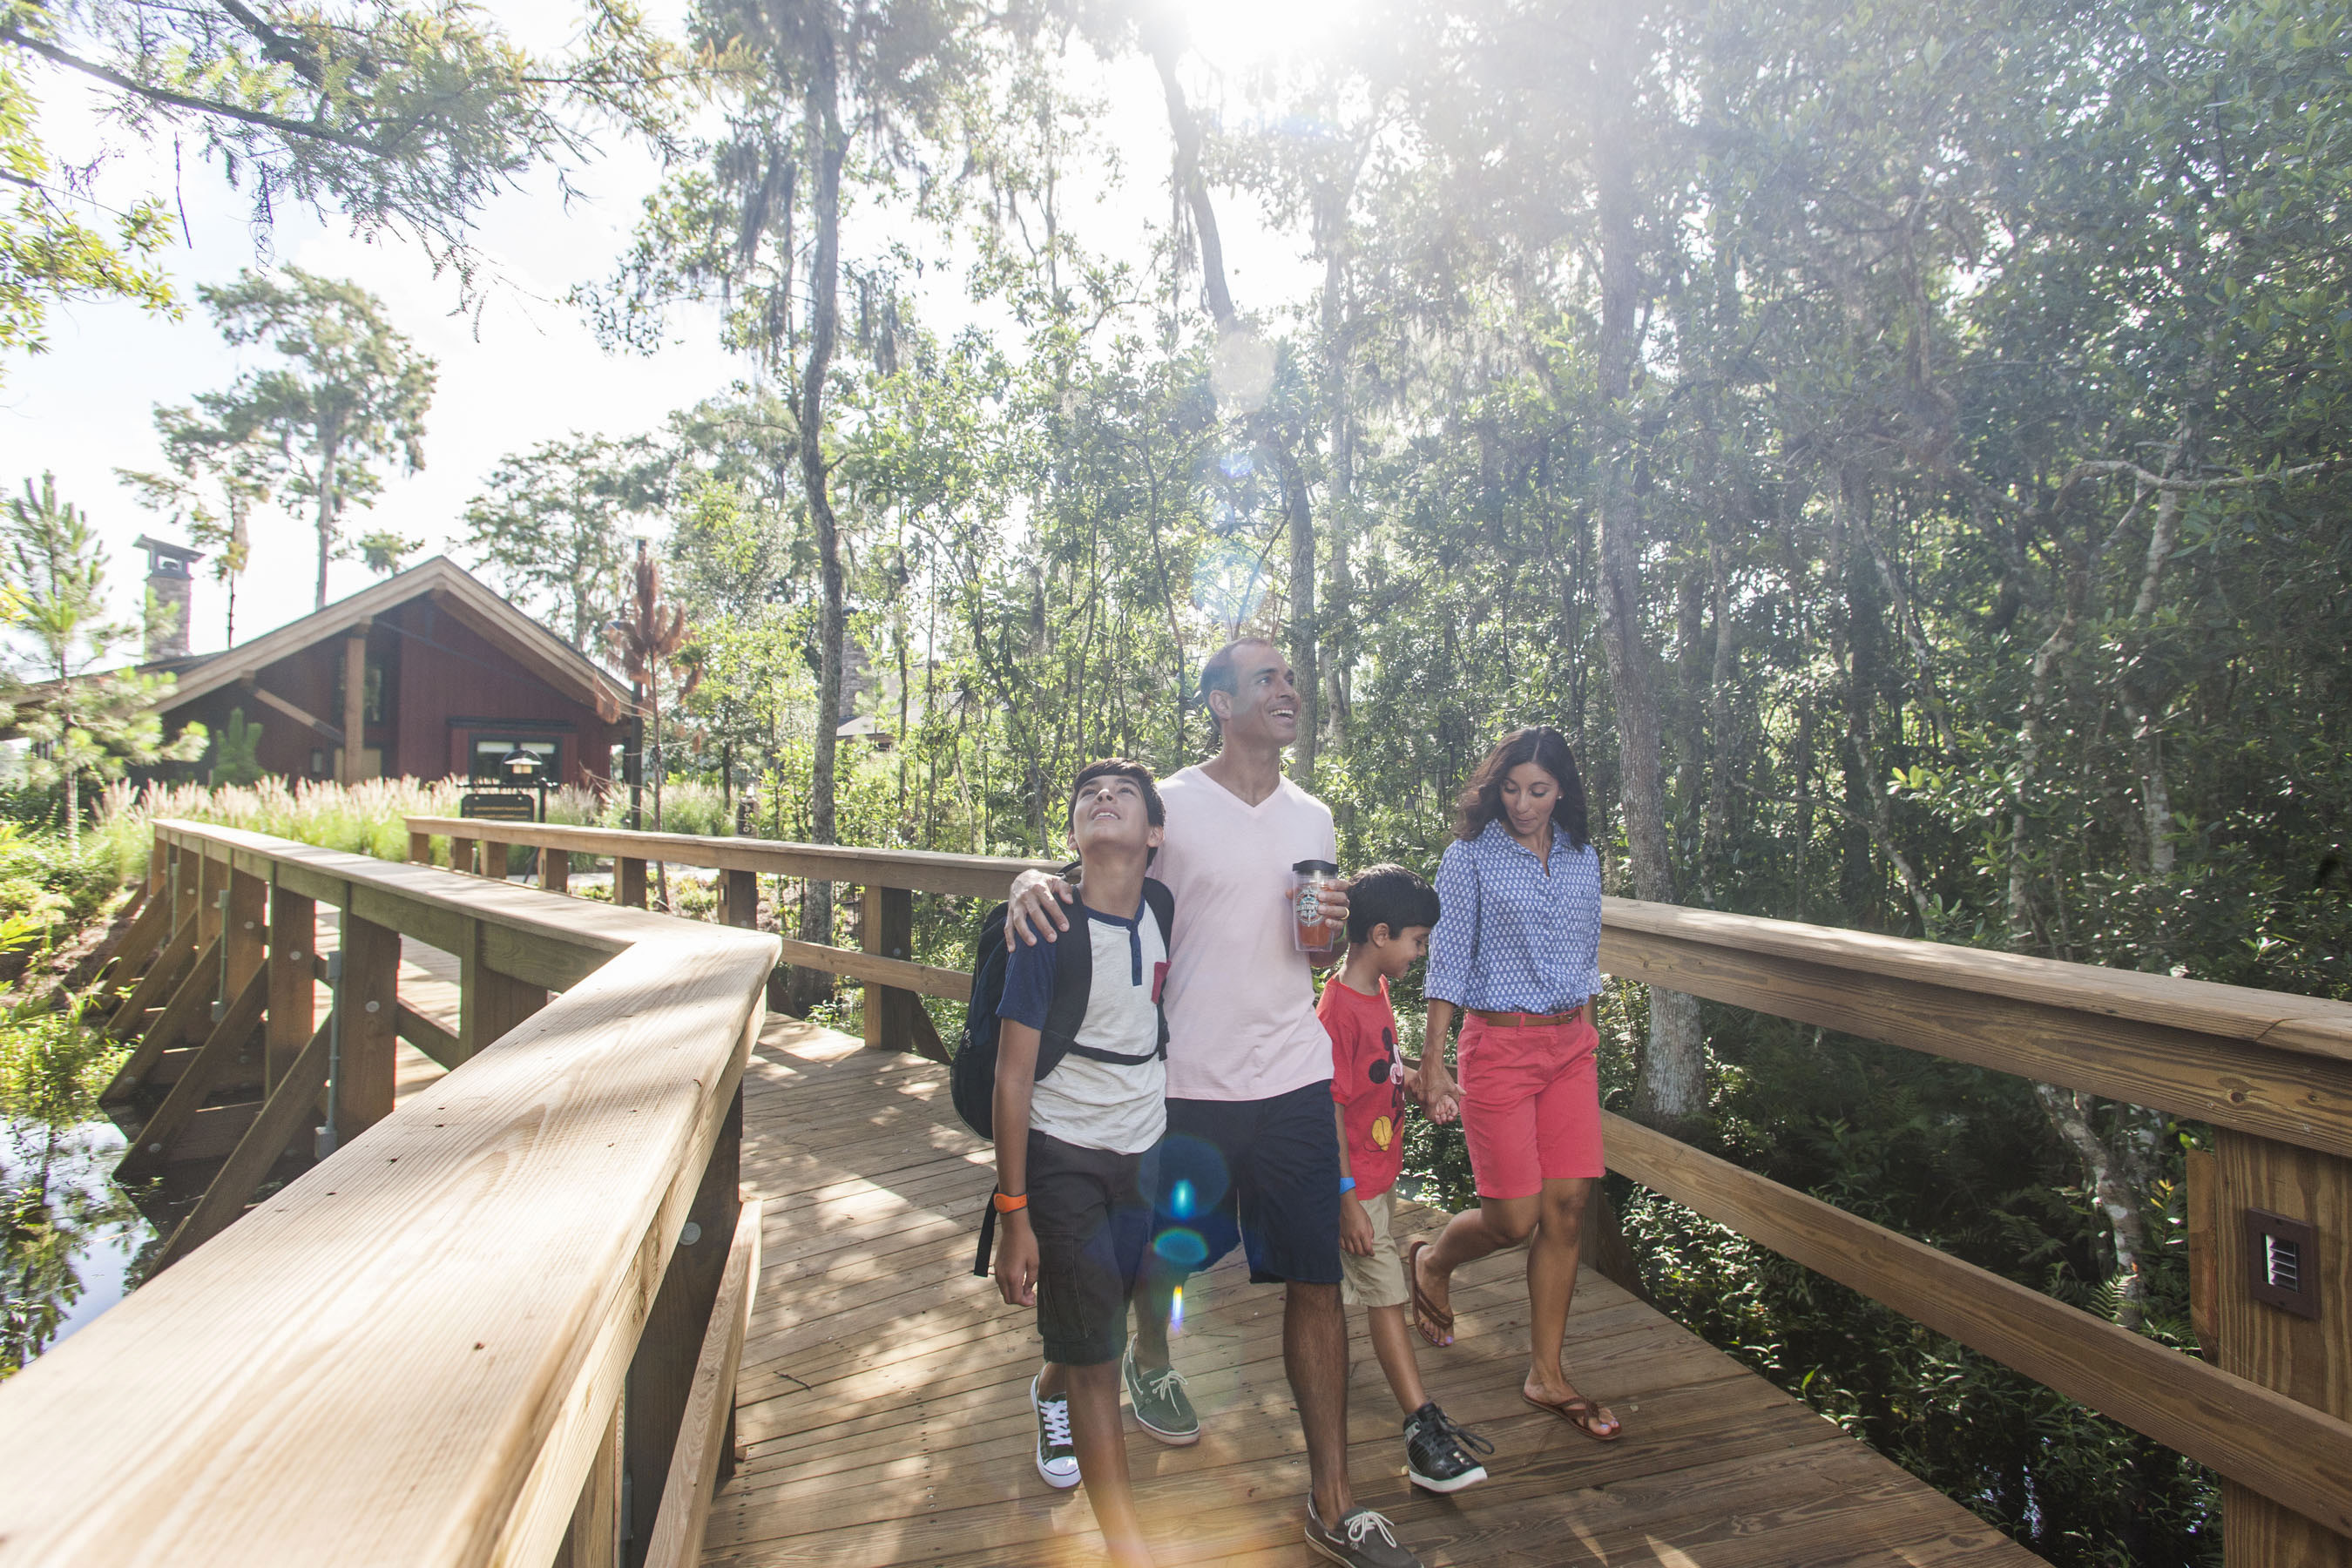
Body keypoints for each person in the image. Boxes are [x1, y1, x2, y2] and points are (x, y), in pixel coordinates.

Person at [1006, 639, 1426, 1568]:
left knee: (1316, 1285)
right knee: (1151, 1268)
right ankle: (1085, 1372)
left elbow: (1305, 947)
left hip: (1291, 1076)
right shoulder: (1175, 806)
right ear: (1218, 700)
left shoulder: (1311, 813)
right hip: (1183, 1085)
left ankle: (1334, 1502)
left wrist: (1321, 944)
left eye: (1293, 679)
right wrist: (1027, 881)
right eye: (1269, 679)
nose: (1290, 689)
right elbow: (1098, 878)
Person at [1409, 725, 1624, 1443]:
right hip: (1498, 1044)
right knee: (1514, 1219)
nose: (1524, 804)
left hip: (1571, 1046)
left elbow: (1586, 950)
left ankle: (1547, 1373)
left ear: (1561, 789)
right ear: (1494, 787)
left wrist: (1584, 1031)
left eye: (1538, 790)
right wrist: (1434, 1060)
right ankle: (1432, 1259)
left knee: (1567, 1210)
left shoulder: (1583, 857)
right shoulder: (1468, 857)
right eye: (1511, 788)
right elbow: (1447, 966)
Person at [990, 760, 1175, 1568]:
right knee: (1099, 1354)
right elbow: (1011, 1075)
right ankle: (1129, 1549)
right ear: (1073, 836)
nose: (1104, 800)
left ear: (1154, 835)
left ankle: (1047, 1386)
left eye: (1125, 795)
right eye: (1088, 797)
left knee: (1118, 1299)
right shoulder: (1046, 925)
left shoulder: (1165, 905)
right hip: (1062, 1154)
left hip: (1148, 1148)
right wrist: (1013, 1214)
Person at [1322, 864, 1495, 1495]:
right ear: (1380, 934)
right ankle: (1421, 1425)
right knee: (1387, 1294)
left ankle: (1325, 1367)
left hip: (1376, 1177)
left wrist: (1421, 1086)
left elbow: (1379, 1073)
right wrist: (1346, 1200)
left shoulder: (1377, 993)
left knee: (1347, 1289)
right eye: (1417, 941)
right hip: (1353, 1187)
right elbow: (1332, 1110)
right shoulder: (1338, 1009)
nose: (1421, 954)